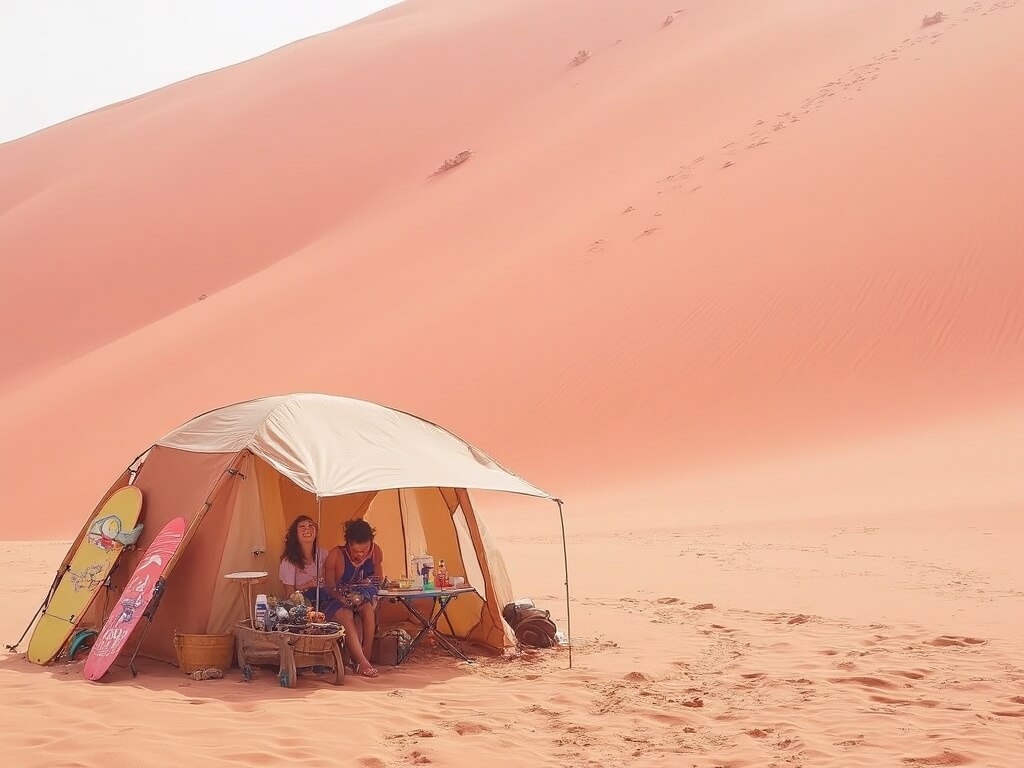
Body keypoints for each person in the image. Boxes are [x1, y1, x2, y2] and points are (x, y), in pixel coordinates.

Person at [323, 519, 383, 678]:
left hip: (363, 595)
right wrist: (343, 597)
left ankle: (366, 656)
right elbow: (329, 587)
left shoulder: (375, 552)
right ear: (348, 544)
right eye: (356, 551)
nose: (360, 554)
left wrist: (363, 594)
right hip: (336, 598)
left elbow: (378, 580)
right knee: (346, 614)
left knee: (368, 611)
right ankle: (363, 663)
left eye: (364, 550)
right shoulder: (335, 555)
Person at [279, 516, 328, 600]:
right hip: (303, 604)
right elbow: (289, 594)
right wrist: (309, 585)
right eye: (302, 527)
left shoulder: (324, 554)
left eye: (311, 526)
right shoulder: (288, 562)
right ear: (295, 534)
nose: (307, 529)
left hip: (325, 599)